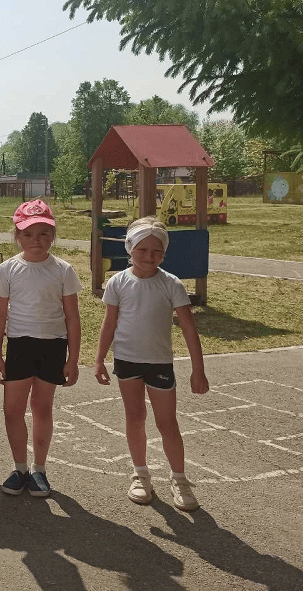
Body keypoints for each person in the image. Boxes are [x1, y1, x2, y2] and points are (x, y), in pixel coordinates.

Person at [95, 216, 209, 511]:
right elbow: (109, 324)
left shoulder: (171, 284)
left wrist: (198, 370)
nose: (149, 256)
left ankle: (180, 479)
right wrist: (99, 360)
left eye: (157, 251)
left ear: (164, 253)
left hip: (159, 363)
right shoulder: (117, 282)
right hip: (126, 361)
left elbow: (189, 329)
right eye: (142, 250)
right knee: (135, 418)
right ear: (130, 248)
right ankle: (140, 474)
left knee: (167, 422)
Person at [0, 200, 82, 498]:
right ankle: (20, 469)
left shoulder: (63, 270)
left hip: (53, 347)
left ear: (53, 235)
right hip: (20, 346)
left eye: (43, 233)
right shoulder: (7, 269)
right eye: (28, 234)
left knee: (42, 409)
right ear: (17, 236)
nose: (36, 240)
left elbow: (72, 318)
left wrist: (73, 360)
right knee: (12, 411)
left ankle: (39, 470)